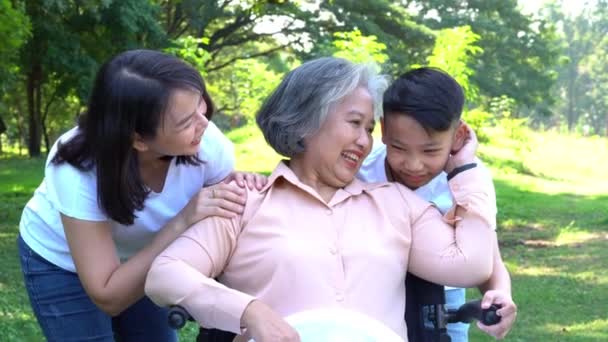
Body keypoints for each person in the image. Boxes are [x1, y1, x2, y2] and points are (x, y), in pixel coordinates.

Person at [145, 57, 498, 342]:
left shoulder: (397, 203)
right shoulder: (246, 202)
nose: (365, 141)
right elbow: (165, 275)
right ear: (307, 121)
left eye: (370, 130)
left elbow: (471, 264)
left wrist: (464, 169)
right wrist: (249, 311)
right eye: (355, 123)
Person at [17, 49, 264, 342]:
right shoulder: (77, 170)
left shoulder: (207, 144)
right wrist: (182, 221)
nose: (204, 124)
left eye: (201, 106)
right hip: (61, 262)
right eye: (186, 122)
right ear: (137, 139)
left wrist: (243, 188)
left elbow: (223, 225)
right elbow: (108, 295)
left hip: (148, 256)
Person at [357, 67, 517, 340]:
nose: (413, 164)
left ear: (458, 136)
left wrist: (500, 293)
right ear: (383, 129)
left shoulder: (468, 179)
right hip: (371, 301)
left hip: (446, 306)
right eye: (399, 148)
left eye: (430, 150)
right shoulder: (361, 170)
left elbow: (488, 253)